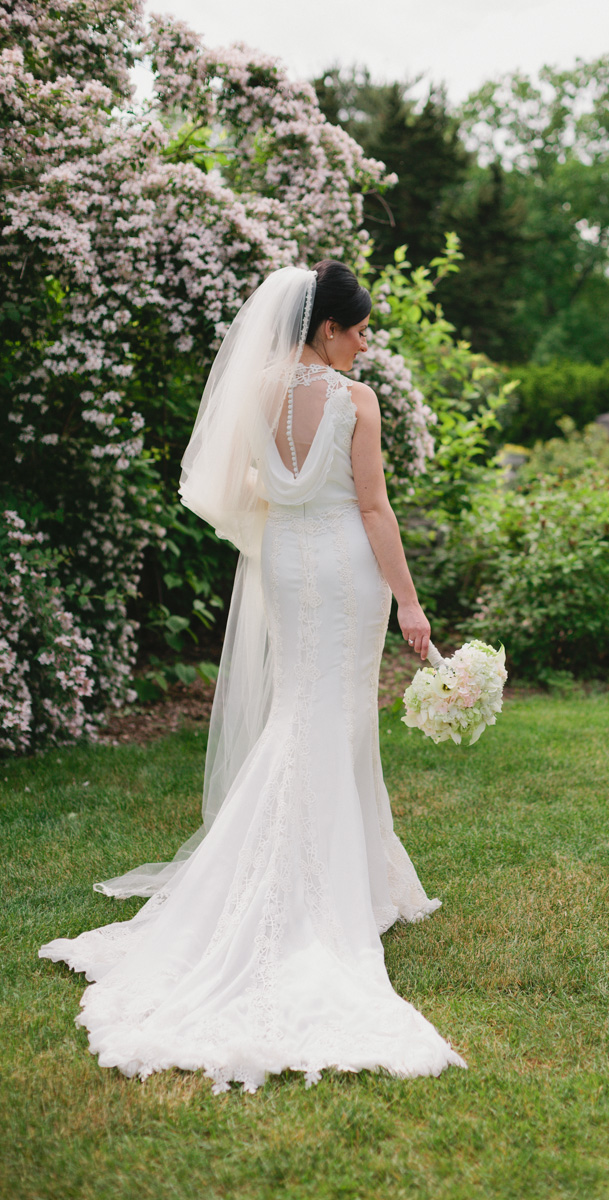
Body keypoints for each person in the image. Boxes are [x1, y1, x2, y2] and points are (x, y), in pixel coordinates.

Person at [39, 261, 466, 1092]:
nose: (366, 343)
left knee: (301, 714)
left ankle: (356, 869)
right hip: (345, 566)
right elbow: (375, 508)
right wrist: (410, 604)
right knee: (331, 717)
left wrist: (288, 507)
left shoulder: (258, 390)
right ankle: (314, 890)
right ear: (328, 330)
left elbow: (237, 486)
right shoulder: (355, 401)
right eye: (360, 329)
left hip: (288, 568)